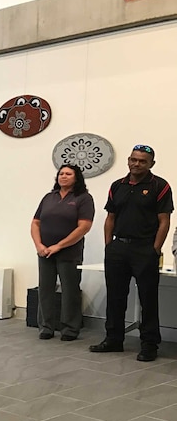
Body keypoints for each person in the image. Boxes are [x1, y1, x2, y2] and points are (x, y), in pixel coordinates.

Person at [90, 144, 173, 362]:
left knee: (148, 298)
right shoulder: (117, 185)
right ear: (128, 160)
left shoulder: (160, 186)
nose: (137, 164)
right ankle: (114, 340)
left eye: (142, 161)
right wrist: (109, 246)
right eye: (134, 159)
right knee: (115, 296)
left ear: (151, 164)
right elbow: (111, 217)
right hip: (118, 248)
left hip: (145, 249)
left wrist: (155, 248)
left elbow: (164, 221)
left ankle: (149, 345)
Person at [30, 164, 94, 341]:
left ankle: (69, 329)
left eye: (68, 174)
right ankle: (46, 327)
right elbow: (35, 223)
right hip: (45, 252)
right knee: (45, 289)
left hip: (69, 252)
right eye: (61, 173)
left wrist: (59, 245)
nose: (63, 176)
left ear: (76, 177)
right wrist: (39, 245)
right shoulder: (49, 197)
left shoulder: (83, 198)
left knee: (70, 291)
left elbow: (84, 227)